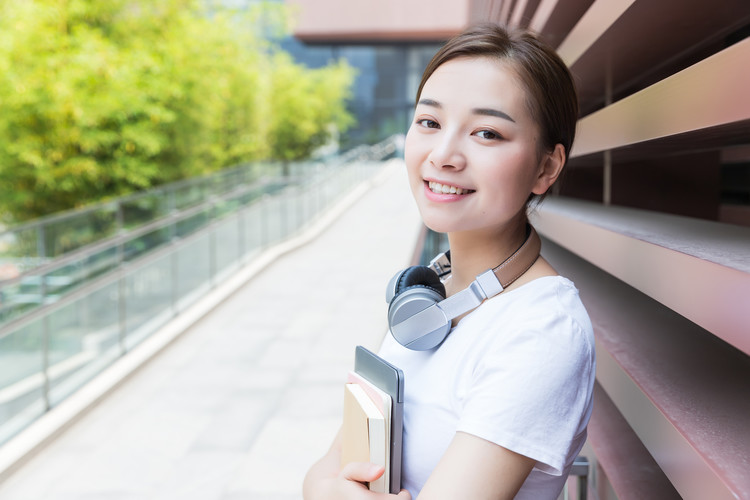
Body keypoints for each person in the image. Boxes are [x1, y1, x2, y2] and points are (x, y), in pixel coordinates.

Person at [303, 23, 595, 500]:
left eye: (486, 132)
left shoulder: (541, 329)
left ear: (546, 167)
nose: (442, 155)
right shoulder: (429, 293)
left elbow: (328, 480)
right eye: (430, 122)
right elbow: (321, 472)